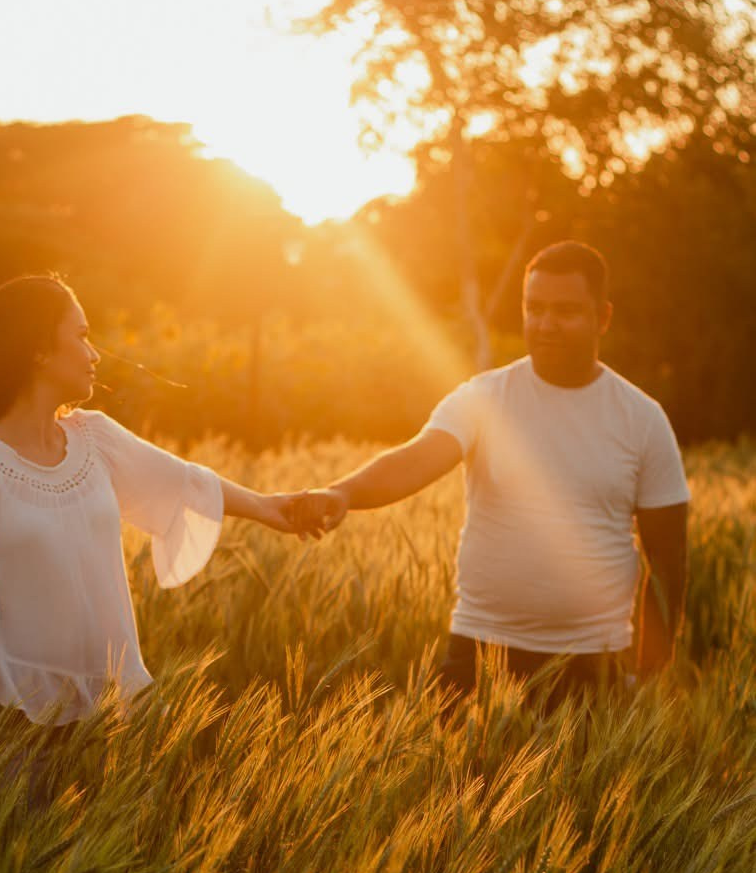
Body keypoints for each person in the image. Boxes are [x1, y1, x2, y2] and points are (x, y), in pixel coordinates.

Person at [0, 274, 309, 739]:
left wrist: (268, 507)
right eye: (81, 336)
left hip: (100, 724)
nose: (95, 353)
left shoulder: (93, 438)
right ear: (38, 350)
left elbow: (182, 481)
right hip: (7, 725)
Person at [293, 242, 690, 700]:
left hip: (594, 660)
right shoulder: (484, 398)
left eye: (565, 311)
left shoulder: (642, 419)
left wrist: (652, 675)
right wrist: (343, 493)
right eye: (534, 308)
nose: (545, 324)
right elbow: (417, 457)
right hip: (479, 651)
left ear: (602, 317)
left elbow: (667, 561)